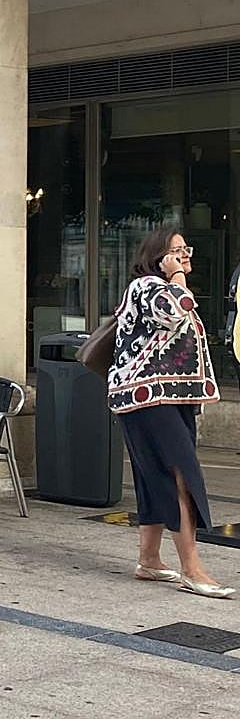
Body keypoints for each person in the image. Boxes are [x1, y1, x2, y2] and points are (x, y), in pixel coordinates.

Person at [108, 227, 234, 599]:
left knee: (152, 476)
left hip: (167, 397)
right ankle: (192, 569)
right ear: (156, 256)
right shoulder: (148, 287)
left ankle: (149, 559)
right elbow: (173, 312)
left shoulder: (165, 288)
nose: (184, 256)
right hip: (148, 397)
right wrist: (176, 276)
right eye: (176, 250)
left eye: (185, 249)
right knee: (181, 475)